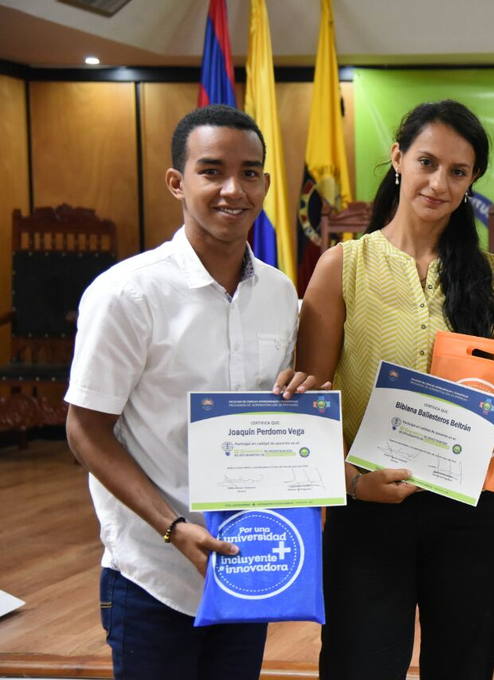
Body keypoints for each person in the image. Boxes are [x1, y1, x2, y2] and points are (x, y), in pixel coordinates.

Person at [283, 100, 494, 680]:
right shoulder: (341, 265)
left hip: (471, 512)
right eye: (426, 161)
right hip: (368, 508)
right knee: (358, 667)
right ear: (397, 159)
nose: (439, 182)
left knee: (463, 668)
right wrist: (354, 486)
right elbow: (314, 405)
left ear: (472, 182)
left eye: (459, 171)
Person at [64, 104, 301, 679]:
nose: (232, 189)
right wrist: (172, 528)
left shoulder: (279, 292)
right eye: (211, 171)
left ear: (266, 183)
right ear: (177, 182)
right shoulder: (128, 293)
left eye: (249, 173)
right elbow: (84, 430)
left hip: (248, 561)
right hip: (154, 571)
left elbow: (279, 413)